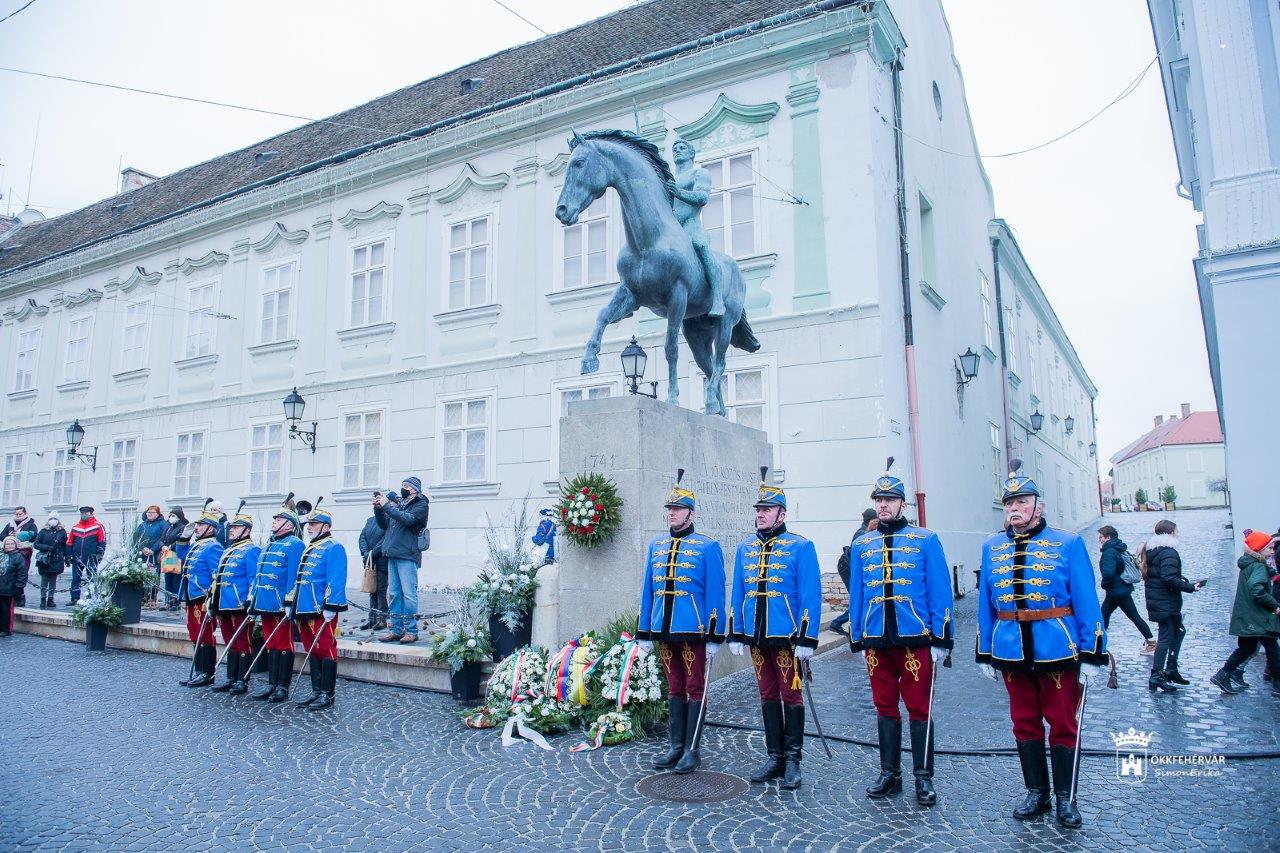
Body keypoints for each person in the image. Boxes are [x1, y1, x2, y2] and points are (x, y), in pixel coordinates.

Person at [976, 460, 1107, 829]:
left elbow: (1087, 601)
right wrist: (985, 651)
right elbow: (986, 603)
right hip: (1010, 649)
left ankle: (1066, 798)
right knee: (1024, 723)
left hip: (1058, 648)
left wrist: (1093, 653)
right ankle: (1037, 792)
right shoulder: (991, 546)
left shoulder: (1068, 543)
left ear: (1039, 506)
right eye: (1009, 503)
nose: (1014, 508)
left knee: (1062, 723)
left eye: (1022, 501)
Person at [847, 459, 952, 806]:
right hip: (877, 639)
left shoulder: (925, 540)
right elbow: (858, 593)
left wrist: (942, 637)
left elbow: (939, 590)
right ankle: (889, 773)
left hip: (915, 637)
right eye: (879, 500)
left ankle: (923, 777)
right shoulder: (863, 545)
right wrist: (858, 634)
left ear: (902, 505)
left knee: (919, 708)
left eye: (889, 500)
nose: (883, 505)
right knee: (884, 706)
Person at [728, 468, 822, 790]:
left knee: (790, 695)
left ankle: (793, 759)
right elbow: (738, 591)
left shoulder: (800, 546)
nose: (760, 514)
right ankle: (775, 757)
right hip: (757, 636)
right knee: (767, 695)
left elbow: (810, 594)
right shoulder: (745, 548)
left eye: (766, 509)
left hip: (788, 637)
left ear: (782, 513)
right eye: (758, 509)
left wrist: (807, 637)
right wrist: (737, 631)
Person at [636, 471, 725, 773]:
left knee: (694, 688)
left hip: (693, 630)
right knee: (674, 687)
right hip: (663, 629)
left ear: (691, 513)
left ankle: (692, 750)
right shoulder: (656, 545)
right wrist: (644, 631)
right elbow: (648, 590)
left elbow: (716, 594)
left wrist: (714, 635)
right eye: (670, 509)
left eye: (677, 509)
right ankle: (675, 746)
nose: (671, 513)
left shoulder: (708, 546)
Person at [291, 507, 348, 710]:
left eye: (313, 524)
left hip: (321, 607)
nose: (309, 528)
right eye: (309, 524)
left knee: (325, 647)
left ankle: (327, 694)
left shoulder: (333, 547)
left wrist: (331, 605)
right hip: (305, 606)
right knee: (311, 647)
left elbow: (336, 578)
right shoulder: (311, 547)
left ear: (325, 526)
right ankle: (316, 690)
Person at [1210, 531, 1280, 696]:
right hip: (1257, 617)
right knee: (1272, 648)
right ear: (1259, 549)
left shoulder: (1250, 564)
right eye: (1270, 548)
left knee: (1247, 648)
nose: (1272, 552)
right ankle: (1278, 684)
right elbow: (1256, 589)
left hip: (1249, 616)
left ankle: (1223, 675)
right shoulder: (1258, 567)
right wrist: (1274, 606)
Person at [248, 504, 304, 702]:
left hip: (280, 602)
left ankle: (282, 686)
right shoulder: (269, 544)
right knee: (270, 642)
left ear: (289, 525)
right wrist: (253, 597)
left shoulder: (295, 544)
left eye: (279, 520)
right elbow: (259, 574)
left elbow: (294, 575)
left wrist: (290, 600)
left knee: (284, 643)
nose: (274, 522)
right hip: (265, 602)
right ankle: (271, 683)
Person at [1141, 519, 1203, 692]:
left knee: (1179, 631)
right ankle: (1156, 675)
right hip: (1165, 602)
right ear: (1170, 533)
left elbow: (1164, 574)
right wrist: (1191, 587)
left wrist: (1181, 580)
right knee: (1165, 637)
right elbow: (1168, 578)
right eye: (1176, 531)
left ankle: (1171, 669)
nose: (1178, 534)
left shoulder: (1155, 550)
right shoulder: (1169, 552)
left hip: (1161, 600)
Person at [666, 138, 725, 317]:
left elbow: (702, 198)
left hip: (691, 224)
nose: (677, 150)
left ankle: (718, 299)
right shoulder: (669, 178)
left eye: (682, 148)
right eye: (675, 149)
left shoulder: (699, 173)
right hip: (671, 226)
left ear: (691, 153)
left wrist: (678, 192)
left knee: (701, 245)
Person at [209, 507, 260, 695]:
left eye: (236, 527)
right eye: (231, 527)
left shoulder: (251, 550)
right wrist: (212, 599)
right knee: (230, 641)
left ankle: (242, 680)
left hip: (239, 604)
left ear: (246, 530)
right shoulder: (228, 549)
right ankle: (231, 677)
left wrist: (250, 599)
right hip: (223, 603)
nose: (231, 530)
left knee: (243, 642)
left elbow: (253, 578)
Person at [374, 476, 430, 645]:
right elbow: (384, 525)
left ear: (415, 489)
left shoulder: (421, 504)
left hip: (407, 554)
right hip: (393, 553)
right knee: (394, 594)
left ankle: (411, 631)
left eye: (406, 485)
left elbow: (408, 520)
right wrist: (379, 509)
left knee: (409, 594)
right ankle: (396, 629)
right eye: (402, 484)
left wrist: (387, 506)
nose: (403, 488)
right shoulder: (400, 504)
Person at [177, 511, 225, 688]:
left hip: (202, 597)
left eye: (201, 525)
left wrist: (212, 596)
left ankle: (207, 673)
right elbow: (181, 554)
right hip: (191, 595)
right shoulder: (197, 545)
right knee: (194, 633)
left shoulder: (213, 546)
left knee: (204, 634)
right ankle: (198, 671)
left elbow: (216, 574)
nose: (197, 528)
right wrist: (184, 536)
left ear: (210, 528)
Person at [1096, 525, 1155, 653]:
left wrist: (1104, 584)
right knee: (1103, 614)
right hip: (1117, 590)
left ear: (1108, 537)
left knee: (1133, 616)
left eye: (1101, 537)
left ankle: (1151, 642)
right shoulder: (1118, 547)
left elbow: (1108, 573)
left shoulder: (1109, 551)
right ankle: (1098, 643)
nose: (1099, 540)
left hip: (1118, 591)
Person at [829, 508, 876, 634]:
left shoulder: (866, 531)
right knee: (858, 597)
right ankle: (837, 623)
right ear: (871, 520)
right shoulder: (862, 534)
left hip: (849, 566)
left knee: (860, 597)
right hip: (847, 567)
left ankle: (839, 623)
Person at [357, 499, 389, 632]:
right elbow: (362, 537)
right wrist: (365, 553)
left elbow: (385, 540)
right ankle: (372, 619)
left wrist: (372, 553)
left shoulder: (388, 520)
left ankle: (382, 619)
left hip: (382, 560)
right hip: (370, 560)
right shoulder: (370, 520)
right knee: (372, 590)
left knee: (381, 591)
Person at [66, 506, 106, 606]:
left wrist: (99, 554)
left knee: (91, 578)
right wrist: (68, 555)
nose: (84, 515)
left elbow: (102, 541)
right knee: (75, 579)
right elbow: (70, 542)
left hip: (91, 558)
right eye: (82, 513)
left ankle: (92, 597)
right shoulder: (75, 527)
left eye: (86, 513)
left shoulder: (98, 526)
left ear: (91, 514)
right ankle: (74, 598)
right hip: (77, 557)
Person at [1, 507, 37, 606]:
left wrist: (21, 535)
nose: (18, 516)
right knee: (9, 573)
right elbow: (2, 536)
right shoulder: (10, 524)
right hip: (10, 552)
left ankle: (20, 596)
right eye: (16, 514)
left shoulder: (31, 524)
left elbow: (34, 537)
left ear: (25, 513)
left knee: (20, 573)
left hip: (24, 551)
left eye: (20, 514)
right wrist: (9, 536)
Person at [33, 513, 68, 609]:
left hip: (57, 558)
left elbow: (65, 545)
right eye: (51, 518)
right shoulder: (43, 531)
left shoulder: (62, 531)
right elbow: (36, 544)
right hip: (45, 559)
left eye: (55, 518)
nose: (53, 520)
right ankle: (43, 599)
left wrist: (67, 557)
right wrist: (47, 547)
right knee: (44, 579)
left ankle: (50, 599)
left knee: (53, 579)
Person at [134, 505, 167, 606]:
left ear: (158, 514)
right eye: (148, 512)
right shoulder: (143, 524)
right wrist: (142, 548)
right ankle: (142, 597)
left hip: (155, 554)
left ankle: (152, 598)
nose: (149, 514)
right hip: (143, 555)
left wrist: (153, 549)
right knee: (141, 575)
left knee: (153, 575)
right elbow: (136, 538)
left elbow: (163, 538)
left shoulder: (162, 524)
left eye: (152, 512)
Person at [159, 508, 190, 610]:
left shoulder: (183, 528)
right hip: (167, 556)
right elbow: (161, 539)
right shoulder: (168, 528)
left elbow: (181, 540)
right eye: (170, 516)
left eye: (173, 516)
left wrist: (170, 547)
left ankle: (176, 602)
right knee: (168, 580)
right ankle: (167, 602)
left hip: (177, 556)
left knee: (176, 580)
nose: (170, 518)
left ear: (179, 517)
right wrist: (162, 546)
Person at [0, 537, 25, 635]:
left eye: (12, 544)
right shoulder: (1, 555)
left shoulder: (18, 557)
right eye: (7, 544)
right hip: (1, 585)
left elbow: (22, 573)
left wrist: (19, 586)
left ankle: (6, 629)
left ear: (15, 545)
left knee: (6, 610)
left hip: (10, 587)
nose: (9, 546)